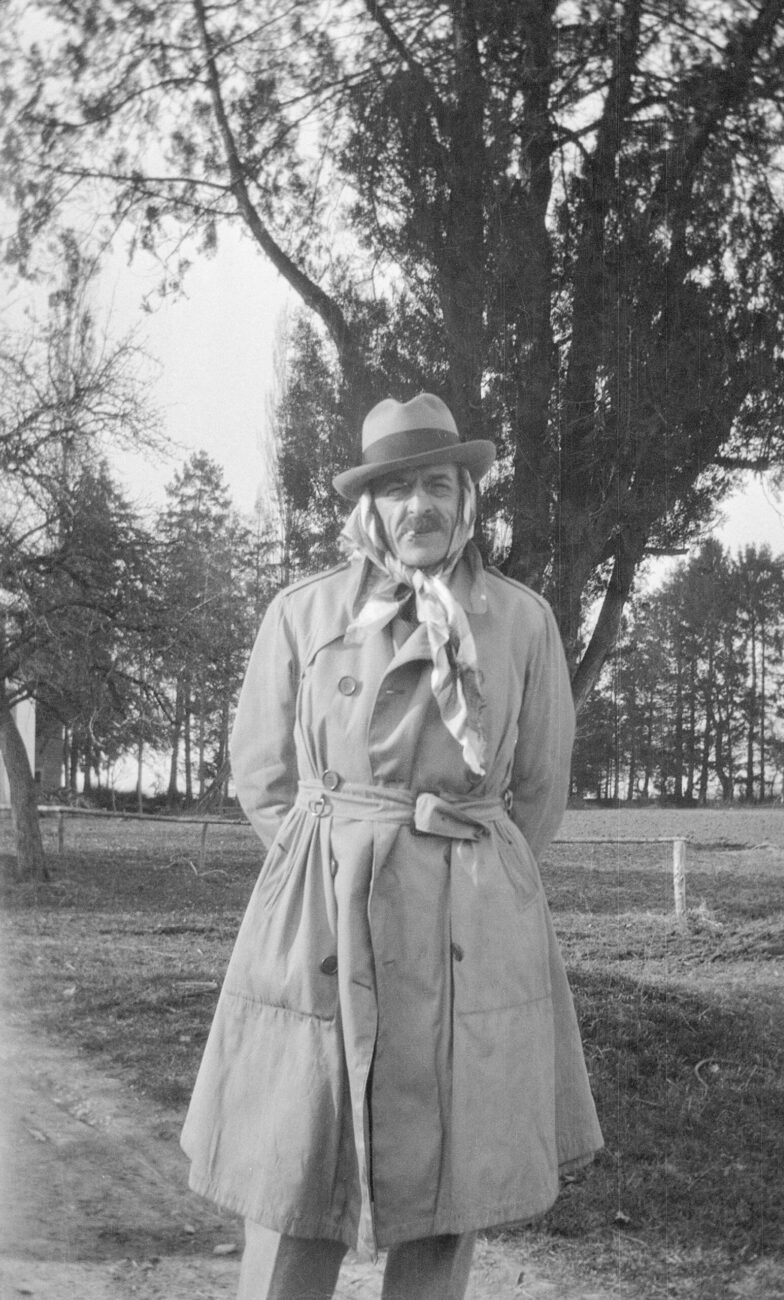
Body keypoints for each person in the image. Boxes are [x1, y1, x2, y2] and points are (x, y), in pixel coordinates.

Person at [180, 393, 603, 1299]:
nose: (421, 506)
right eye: (399, 487)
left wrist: (470, 874)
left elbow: (538, 788)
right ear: (367, 507)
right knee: (299, 1165)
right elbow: (261, 773)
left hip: (467, 921)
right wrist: (328, 858)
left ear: (467, 501)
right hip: (324, 911)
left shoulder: (519, 621)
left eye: (440, 486)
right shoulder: (303, 612)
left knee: (451, 1183)